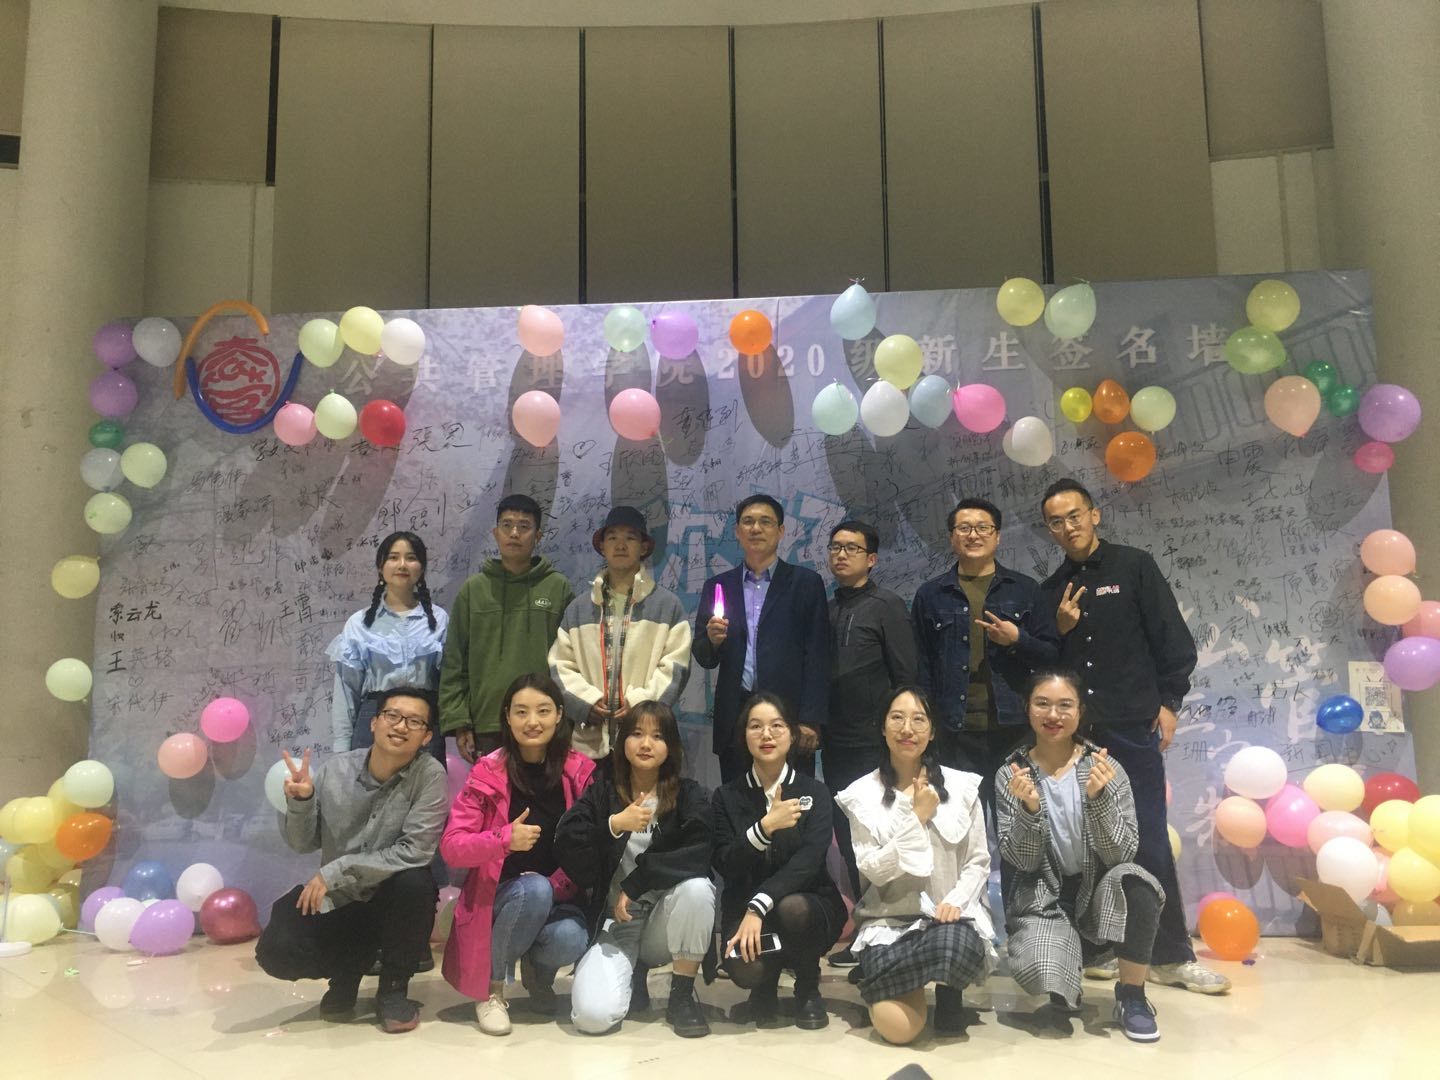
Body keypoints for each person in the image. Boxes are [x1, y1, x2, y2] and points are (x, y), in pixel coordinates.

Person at [1037, 478, 1227, 994]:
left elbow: (1173, 640)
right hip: (1077, 738)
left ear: (1094, 514)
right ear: (1048, 530)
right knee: (1082, 844)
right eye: (1056, 521)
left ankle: (1170, 955)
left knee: (1147, 839)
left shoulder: (1133, 566)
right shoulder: (1052, 589)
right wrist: (1060, 629)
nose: (1067, 527)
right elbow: (1046, 669)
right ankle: (1099, 946)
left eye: (1074, 515)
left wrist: (1169, 702)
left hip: (1131, 729)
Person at [255, 686, 449, 1034]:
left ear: (426, 736)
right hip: (341, 902)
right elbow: (302, 843)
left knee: (415, 882)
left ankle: (393, 989)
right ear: (374, 723)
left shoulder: (430, 775)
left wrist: (339, 870)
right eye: (392, 715)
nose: (400, 726)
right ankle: (346, 973)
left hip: (392, 901)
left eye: (414, 721)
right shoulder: (336, 770)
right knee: (276, 949)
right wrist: (301, 802)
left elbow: (416, 850)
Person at [996, 670, 1165, 1042]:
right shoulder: (1012, 773)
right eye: (1042, 703)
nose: (1052, 715)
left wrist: (1098, 800)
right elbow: (1021, 862)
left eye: (1064, 705)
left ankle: (1132, 995)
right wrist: (1029, 810)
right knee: (1044, 974)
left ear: (1080, 711)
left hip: (1100, 892)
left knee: (1137, 883)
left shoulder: (1106, 768)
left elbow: (1122, 853)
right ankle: (1063, 974)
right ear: (1027, 708)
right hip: (1046, 900)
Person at [836, 686, 996, 1046]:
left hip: (948, 920)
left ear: (933, 730)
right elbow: (874, 869)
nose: (907, 729)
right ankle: (890, 975)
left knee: (955, 946)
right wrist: (917, 816)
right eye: (897, 718)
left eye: (918, 719)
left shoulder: (962, 786)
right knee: (898, 1030)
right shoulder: (861, 794)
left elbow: (978, 861)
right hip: (888, 920)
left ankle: (943, 989)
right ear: (882, 727)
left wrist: (955, 901)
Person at [440, 674, 595, 1036]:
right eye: (521, 712)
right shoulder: (488, 771)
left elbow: (588, 847)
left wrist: (556, 885)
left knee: (571, 937)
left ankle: (538, 974)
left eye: (543, 711)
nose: (532, 721)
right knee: (533, 890)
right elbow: (452, 846)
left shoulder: (579, 771)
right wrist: (504, 839)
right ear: (507, 717)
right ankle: (492, 992)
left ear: (560, 715)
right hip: (497, 898)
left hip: (557, 894)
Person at [556, 701, 717, 1038]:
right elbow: (567, 840)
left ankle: (681, 996)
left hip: (664, 921)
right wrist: (614, 824)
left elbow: (701, 853)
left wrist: (637, 882)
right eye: (637, 734)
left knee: (697, 889)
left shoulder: (688, 795)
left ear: (671, 746)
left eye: (658, 736)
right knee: (592, 1017)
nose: (646, 744)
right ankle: (632, 975)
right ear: (622, 741)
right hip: (618, 924)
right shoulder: (603, 791)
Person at [911, 498, 1058, 816]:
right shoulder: (930, 595)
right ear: (952, 537)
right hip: (954, 732)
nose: (973, 535)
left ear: (997, 536)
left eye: (982, 527)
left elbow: (1051, 656)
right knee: (958, 825)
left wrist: (1017, 639)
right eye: (964, 528)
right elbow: (922, 667)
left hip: (1014, 729)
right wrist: (926, 724)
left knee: (1019, 823)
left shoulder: (1025, 589)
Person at [711, 692, 846, 1028]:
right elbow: (726, 863)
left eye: (777, 725)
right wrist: (765, 827)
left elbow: (809, 862)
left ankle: (807, 985)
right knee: (744, 968)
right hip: (745, 912)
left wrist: (759, 905)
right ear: (744, 736)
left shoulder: (815, 792)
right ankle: (764, 986)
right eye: (755, 726)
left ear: (792, 734)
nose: (766, 734)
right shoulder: (726, 797)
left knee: (793, 908)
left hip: (808, 907)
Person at [825, 517, 917, 967]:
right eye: (836, 547)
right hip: (835, 742)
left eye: (852, 548)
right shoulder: (826, 608)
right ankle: (865, 929)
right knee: (848, 837)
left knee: (883, 836)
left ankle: (894, 929)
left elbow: (906, 676)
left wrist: (901, 736)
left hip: (875, 745)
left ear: (872, 558)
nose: (842, 555)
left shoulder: (888, 606)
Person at [693, 494, 831, 781]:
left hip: (789, 715)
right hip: (736, 715)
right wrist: (713, 641)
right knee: (738, 798)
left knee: (791, 798)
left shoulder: (805, 584)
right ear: (737, 531)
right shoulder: (718, 586)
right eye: (748, 522)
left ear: (780, 531)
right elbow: (704, 657)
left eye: (765, 522)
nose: (756, 528)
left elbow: (818, 655)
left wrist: (810, 719)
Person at [549, 505, 692, 762]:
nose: (620, 545)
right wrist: (587, 702)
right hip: (589, 744)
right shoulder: (579, 608)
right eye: (612, 537)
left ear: (644, 547)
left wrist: (640, 703)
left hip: (646, 740)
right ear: (602, 546)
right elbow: (560, 665)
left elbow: (676, 666)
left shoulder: (667, 606)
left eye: (630, 538)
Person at [440, 494, 575, 764]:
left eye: (524, 526)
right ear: (495, 533)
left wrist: (565, 719)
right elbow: (454, 661)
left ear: (537, 536)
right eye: (507, 525)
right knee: (491, 791)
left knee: (544, 790)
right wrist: (459, 721)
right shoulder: (473, 590)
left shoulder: (558, 588)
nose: (514, 533)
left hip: (542, 722)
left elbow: (571, 660)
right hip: (487, 720)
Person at [327, 531, 448, 765]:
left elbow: (449, 683)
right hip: (374, 720)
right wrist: (342, 747)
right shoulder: (359, 623)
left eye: (411, 558)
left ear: (422, 568)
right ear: (380, 567)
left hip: (423, 721)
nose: (402, 564)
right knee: (369, 788)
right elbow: (346, 689)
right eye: (393, 557)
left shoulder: (440, 619)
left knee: (426, 786)